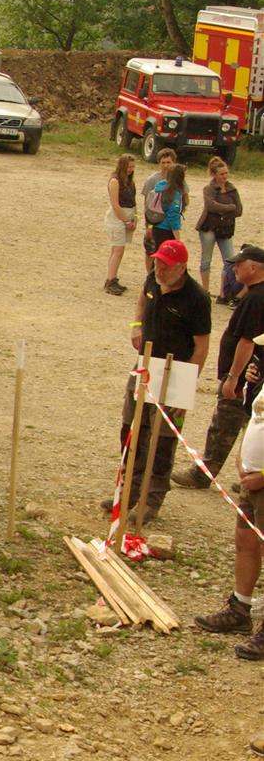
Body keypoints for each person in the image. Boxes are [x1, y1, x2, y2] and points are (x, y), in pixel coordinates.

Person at [101, 238, 211, 523]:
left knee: (161, 440)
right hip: (145, 364)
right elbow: (142, 296)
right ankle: (129, 490)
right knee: (131, 428)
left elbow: (201, 347)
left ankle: (152, 499)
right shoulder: (153, 277)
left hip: (175, 371)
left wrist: (184, 389)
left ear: (182, 268)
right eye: (158, 262)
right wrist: (137, 325)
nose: (159, 269)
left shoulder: (197, 299)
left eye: (166, 266)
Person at [174, 244, 264, 491]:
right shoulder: (254, 294)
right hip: (254, 374)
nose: (234, 268)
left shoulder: (256, 298)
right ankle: (250, 475)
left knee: (224, 423)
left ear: (253, 268)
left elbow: (246, 341)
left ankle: (204, 473)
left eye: (239, 264)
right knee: (251, 426)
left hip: (246, 375)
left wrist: (233, 377)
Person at [194, 388, 264, 659]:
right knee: (245, 543)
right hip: (251, 481)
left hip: (260, 480)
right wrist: (243, 457)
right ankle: (240, 608)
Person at [199, 156, 244, 300]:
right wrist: (229, 208)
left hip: (225, 228)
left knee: (230, 261)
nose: (224, 176)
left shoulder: (232, 189)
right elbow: (210, 206)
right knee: (206, 260)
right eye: (221, 174)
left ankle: (223, 293)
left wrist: (222, 209)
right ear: (214, 175)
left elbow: (239, 211)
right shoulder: (209, 189)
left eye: (226, 173)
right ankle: (205, 291)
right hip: (209, 227)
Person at [104, 153, 136, 296]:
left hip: (126, 216)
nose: (131, 169)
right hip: (118, 218)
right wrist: (126, 221)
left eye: (133, 166)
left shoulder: (129, 181)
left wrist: (135, 218)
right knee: (118, 249)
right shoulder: (115, 181)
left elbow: (133, 201)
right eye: (129, 166)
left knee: (117, 250)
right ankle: (110, 280)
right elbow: (115, 204)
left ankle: (112, 277)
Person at [141, 146, 178, 272]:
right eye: (163, 162)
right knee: (151, 251)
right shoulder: (152, 180)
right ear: (159, 164)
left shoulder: (179, 180)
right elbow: (147, 206)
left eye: (169, 162)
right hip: (156, 224)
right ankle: (149, 276)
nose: (166, 165)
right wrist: (149, 227)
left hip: (171, 225)